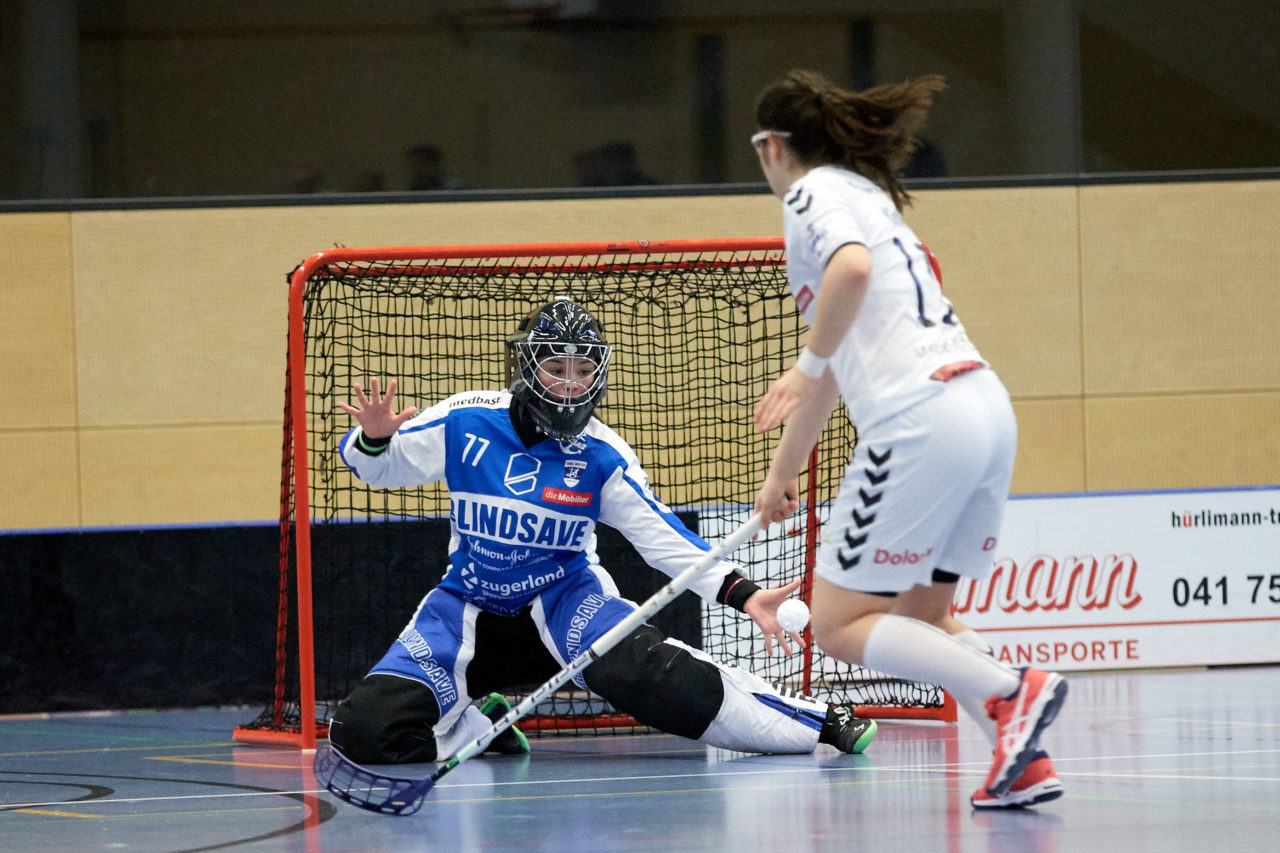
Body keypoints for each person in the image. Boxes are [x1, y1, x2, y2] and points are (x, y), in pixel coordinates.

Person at [327, 297, 878, 766]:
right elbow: (380, 466)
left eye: (583, 370)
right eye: (555, 367)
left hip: (568, 610)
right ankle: (483, 726)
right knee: (362, 733)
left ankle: (819, 720)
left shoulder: (600, 453)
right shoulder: (467, 420)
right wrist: (373, 437)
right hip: (465, 612)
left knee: (666, 682)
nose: (570, 384)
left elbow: (663, 539)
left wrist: (747, 595)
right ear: (525, 367)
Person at [747, 70, 1066, 809]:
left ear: (771, 147)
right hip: (982, 407)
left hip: (919, 419)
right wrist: (781, 471)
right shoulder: (870, 198)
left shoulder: (811, 197)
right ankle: (1025, 756)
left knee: (835, 623)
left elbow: (847, 280)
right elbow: (832, 369)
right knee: (922, 616)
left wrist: (802, 364)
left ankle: (1012, 692)